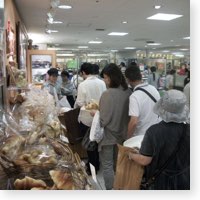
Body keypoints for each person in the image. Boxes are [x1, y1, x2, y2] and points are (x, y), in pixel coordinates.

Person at [128, 90, 190, 190]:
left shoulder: (153, 131)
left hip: (161, 182)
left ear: (163, 108)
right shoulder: (190, 129)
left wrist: (131, 155)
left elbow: (145, 160)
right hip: (185, 179)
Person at [98, 63, 132, 190]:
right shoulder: (127, 91)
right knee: (119, 164)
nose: (105, 80)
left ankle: (110, 191)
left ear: (112, 77)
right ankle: (119, 188)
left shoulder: (107, 94)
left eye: (106, 77)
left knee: (107, 165)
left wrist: (95, 115)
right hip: (123, 135)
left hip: (108, 136)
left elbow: (103, 120)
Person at [74, 62, 106, 174]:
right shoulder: (102, 83)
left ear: (83, 72)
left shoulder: (83, 85)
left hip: (86, 119)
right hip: (99, 117)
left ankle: (93, 166)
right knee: (97, 142)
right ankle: (96, 163)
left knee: (89, 144)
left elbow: (79, 102)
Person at [125, 64, 161, 139]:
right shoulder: (153, 88)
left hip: (141, 137)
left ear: (128, 80)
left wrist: (128, 138)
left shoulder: (134, 96)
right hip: (156, 133)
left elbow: (134, 122)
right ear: (140, 76)